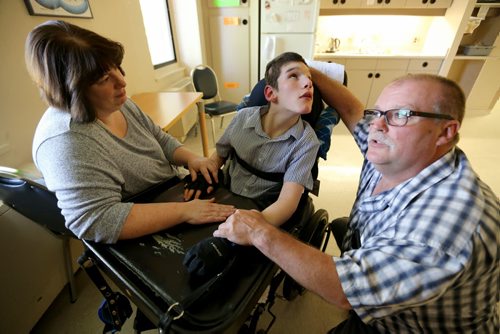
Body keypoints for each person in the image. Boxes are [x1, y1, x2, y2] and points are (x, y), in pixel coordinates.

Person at [214, 71, 499, 332]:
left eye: (399, 114)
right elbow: (351, 109)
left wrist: (258, 231)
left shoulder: (448, 224)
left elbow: (344, 290)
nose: (376, 125)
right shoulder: (398, 150)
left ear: (446, 132)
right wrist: (307, 73)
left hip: (407, 326)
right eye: (377, 113)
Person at [25, 20, 235, 244]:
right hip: (143, 218)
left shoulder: (118, 102)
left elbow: (158, 137)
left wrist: (192, 157)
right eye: (105, 79)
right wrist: (185, 212)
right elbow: (97, 221)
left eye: (115, 67)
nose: (122, 81)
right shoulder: (66, 142)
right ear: (71, 89)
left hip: (170, 192)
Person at [186, 52, 320, 227]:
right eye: (294, 76)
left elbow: (287, 203)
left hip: (265, 209)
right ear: (271, 93)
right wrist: (208, 173)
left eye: (309, 79)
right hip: (227, 194)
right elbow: (220, 154)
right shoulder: (242, 118)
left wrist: (250, 228)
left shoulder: (307, 143)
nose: (308, 83)